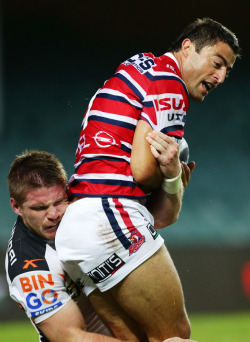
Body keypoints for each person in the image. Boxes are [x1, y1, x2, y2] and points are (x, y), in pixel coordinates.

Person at [55, 17, 240, 341]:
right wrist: (169, 175)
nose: (221, 76)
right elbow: (142, 170)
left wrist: (169, 181)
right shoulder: (171, 82)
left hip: (75, 227)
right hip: (109, 215)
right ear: (187, 48)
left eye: (227, 70)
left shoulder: (138, 67)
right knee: (176, 335)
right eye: (217, 63)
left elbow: (160, 215)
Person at [5, 149, 196, 342]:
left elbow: (157, 219)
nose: (53, 214)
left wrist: (172, 182)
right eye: (39, 208)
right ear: (16, 206)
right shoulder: (28, 268)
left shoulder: (86, 202)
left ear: (67, 189)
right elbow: (72, 337)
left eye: (59, 201)